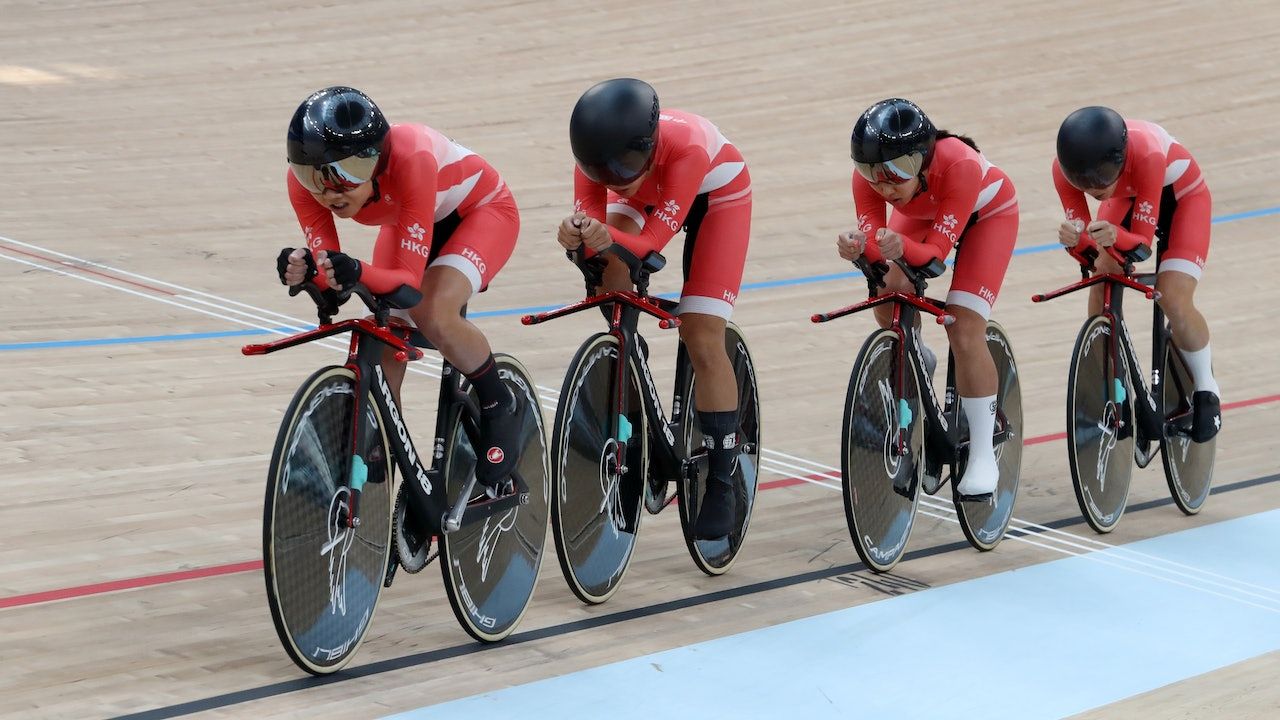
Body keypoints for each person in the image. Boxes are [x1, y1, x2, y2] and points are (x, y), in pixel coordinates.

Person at [277, 85, 524, 493]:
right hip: (408, 220)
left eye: (345, 176)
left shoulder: (412, 158)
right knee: (384, 330)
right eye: (313, 178)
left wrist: (354, 269)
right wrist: (307, 272)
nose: (329, 192)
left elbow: (407, 285)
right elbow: (336, 278)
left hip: (479, 214)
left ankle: (499, 401)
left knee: (433, 313)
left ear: (375, 161)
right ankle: (380, 447)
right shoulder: (305, 187)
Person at [556, 78, 753, 538]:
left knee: (701, 331)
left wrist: (608, 238)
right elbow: (593, 230)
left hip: (715, 197)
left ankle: (723, 479)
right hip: (648, 200)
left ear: (649, 144)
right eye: (604, 170)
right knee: (607, 268)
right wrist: (576, 237)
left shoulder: (685, 149)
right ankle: (630, 358)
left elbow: (650, 245)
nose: (616, 175)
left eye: (625, 164)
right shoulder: (598, 156)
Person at [836, 98, 1019, 499]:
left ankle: (984, 452)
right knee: (886, 290)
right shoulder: (871, 181)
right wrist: (858, 249)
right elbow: (876, 249)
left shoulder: (959, 165)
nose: (883, 187)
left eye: (894, 175)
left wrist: (895, 245)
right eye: (871, 176)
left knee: (963, 325)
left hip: (987, 216)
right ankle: (916, 351)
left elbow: (934, 257)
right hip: (926, 215)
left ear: (920, 161)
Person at [1053, 106, 1220, 442]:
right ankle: (1112, 385)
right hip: (1127, 196)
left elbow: (1141, 246)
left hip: (1181, 200)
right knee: (1102, 279)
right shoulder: (1065, 171)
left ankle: (1206, 388)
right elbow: (1088, 250)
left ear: (1119, 157)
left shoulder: (1148, 155)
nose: (1093, 187)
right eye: (1084, 181)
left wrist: (1114, 238)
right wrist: (1076, 243)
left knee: (1172, 294)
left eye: (1101, 175)